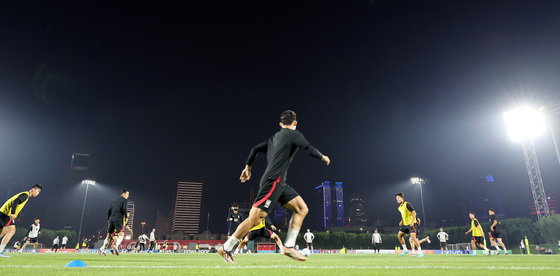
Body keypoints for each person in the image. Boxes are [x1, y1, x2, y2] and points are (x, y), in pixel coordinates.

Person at [218, 110, 331, 263]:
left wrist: (248, 168)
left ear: (280, 124)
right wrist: (322, 157)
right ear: (295, 123)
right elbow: (309, 148)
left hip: (279, 183)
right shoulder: (294, 135)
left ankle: (289, 246)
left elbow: (255, 149)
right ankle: (226, 248)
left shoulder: (274, 138)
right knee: (254, 220)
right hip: (273, 182)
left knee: (302, 208)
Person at [0, 184, 42, 257]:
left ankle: (0, 251)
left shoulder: (25, 195)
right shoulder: (25, 195)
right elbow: (15, 201)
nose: (38, 194)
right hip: (6, 214)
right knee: (11, 230)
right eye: (38, 191)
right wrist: (12, 213)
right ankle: (0, 251)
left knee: (3, 231)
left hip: (3, 213)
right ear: (33, 190)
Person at [98, 189, 129, 256]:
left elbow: (109, 210)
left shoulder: (113, 201)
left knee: (108, 236)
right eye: (127, 194)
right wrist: (126, 217)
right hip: (118, 220)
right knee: (121, 234)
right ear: (123, 194)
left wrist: (109, 219)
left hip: (111, 219)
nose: (128, 196)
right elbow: (124, 209)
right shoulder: (125, 200)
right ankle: (116, 245)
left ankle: (103, 251)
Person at [395, 192, 423, 257]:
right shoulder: (399, 208)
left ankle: (420, 252)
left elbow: (414, 213)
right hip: (405, 225)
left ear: (402, 198)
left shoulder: (407, 204)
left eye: (398, 198)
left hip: (412, 224)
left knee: (413, 237)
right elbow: (403, 215)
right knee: (399, 235)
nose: (397, 199)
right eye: (396, 198)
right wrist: (401, 221)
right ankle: (405, 250)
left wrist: (412, 222)